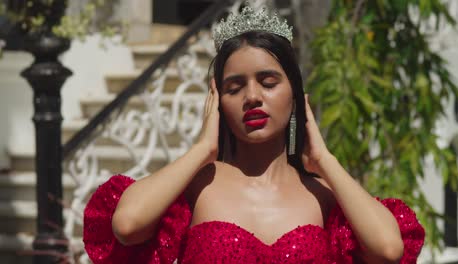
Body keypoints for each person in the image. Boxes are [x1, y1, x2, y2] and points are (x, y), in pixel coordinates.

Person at [83, 3, 425, 264]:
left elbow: (389, 249)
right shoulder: (196, 187)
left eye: (268, 81)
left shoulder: (322, 194)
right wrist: (203, 149)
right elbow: (127, 225)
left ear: (294, 94)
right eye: (234, 87)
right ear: (217, 101)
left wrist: (325, 160)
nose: (252, 97)